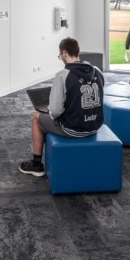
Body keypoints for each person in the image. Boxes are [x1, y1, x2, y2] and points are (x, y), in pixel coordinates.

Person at [18, 37, 105, 177]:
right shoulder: (97, 71)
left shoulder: (62, 75)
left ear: (64, 53)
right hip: (95, 126)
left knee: (36, 117)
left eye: (60, 55)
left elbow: (57, 111)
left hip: (74, 129)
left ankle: (36, 165)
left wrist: (50, 109)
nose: (61, 57)